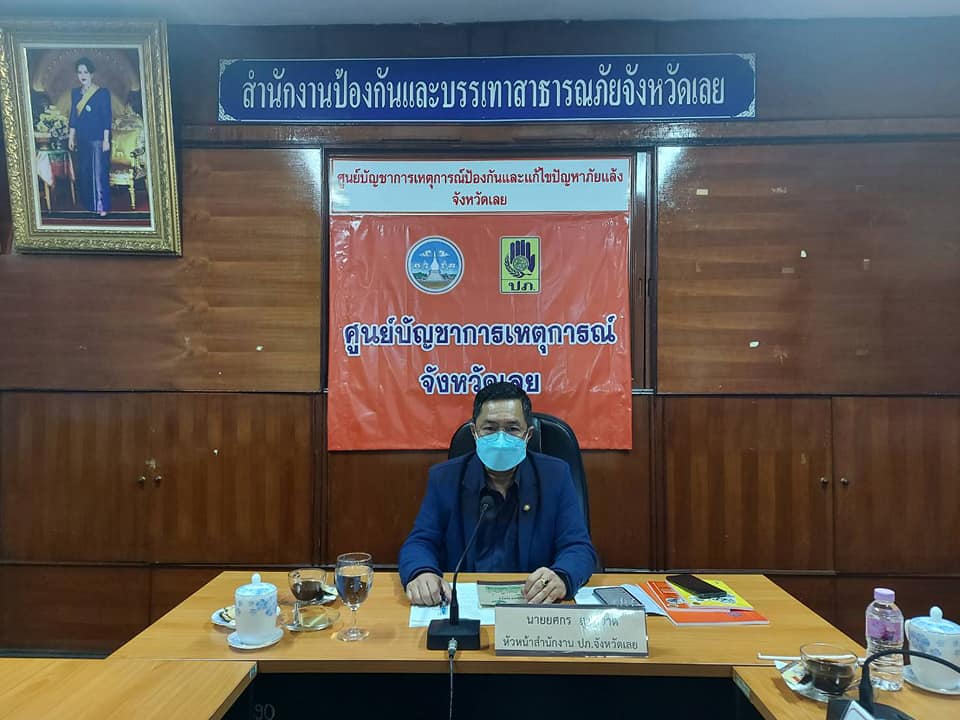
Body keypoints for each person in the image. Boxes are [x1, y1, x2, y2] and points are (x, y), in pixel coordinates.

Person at [399, 382, 597, 606]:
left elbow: (578, 548)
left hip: (532, 603)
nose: (501, 439)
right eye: (490, 428)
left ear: (528, 435)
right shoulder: (445, 478)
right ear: (474, 432)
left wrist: (561, 576)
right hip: (464, 604)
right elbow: (420, 543)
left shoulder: (555, 475)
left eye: (512, 429)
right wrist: (421, 572)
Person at [68, 57, 112, 217]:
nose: (82, 75)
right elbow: (73, 116)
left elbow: (106, 117)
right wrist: (71, 137)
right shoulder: (75, 93)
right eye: (80, 72)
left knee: (99, 173)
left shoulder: (102, 93)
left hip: (98, 138)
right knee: (85, 171)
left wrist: (106, 140)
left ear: (92, 74)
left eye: (85, 72)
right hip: (82, 138)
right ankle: (90, 204)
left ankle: (102, 206)